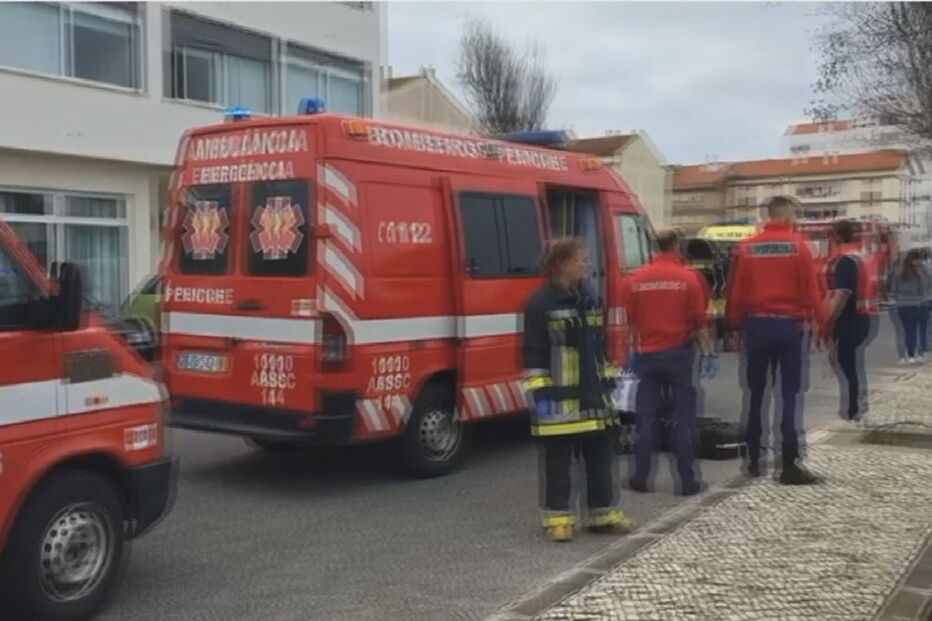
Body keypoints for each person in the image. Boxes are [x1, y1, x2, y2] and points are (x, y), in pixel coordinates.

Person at [522, 237, 635, 543]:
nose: (586, 265)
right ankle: (558, 520)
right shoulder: (540, 303)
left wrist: (611, 383)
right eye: (580, 260)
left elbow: (599, 347)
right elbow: (533, 352)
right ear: (561, 264)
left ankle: (602, 515)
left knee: (600, 459)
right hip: (559, 399)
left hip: (594, 396)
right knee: (558, 463)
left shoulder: (589, 298)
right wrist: (540, 395)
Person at [725, 195, 827, 485]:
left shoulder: (747, 247)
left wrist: (734, 326)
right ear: (788, 216)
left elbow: (736, 291)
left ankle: (753, 461)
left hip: (756, 326)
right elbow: (812, 292)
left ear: (768, 216)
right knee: (789, 397)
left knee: (755, 396)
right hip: (789, 328)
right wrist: (823, 328)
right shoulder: (800, 246)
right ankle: (789, 465)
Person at [621, 229, 716, 496]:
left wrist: (630, 354)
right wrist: (709, 353)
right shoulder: (688, 278)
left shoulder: (634, 280)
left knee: (646, 418)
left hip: (647, 356)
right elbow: (699, 323)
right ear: (677, 246)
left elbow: (630, 324)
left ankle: (641, 478)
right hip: (679, 355)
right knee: (683, 418)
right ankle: (687, 482)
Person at [824, 220, 879, 420]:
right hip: (863, 318)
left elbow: (842, 294)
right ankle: (858, 406)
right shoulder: (860, 257)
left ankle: (852, 409)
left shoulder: (845, 261)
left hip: (848, 321)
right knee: (853, 364)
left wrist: (828, 320)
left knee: (845, 366)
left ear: (836, 237)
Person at [888, 249, 929, 365]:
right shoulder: (923, 272)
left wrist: (899, 298)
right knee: (921, 330)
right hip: (920, 304)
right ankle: (919, 354)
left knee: (908, 330)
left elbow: (893, 290)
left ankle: (910, 355)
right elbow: (924, 289)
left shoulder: (899, 273)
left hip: (904, 305)